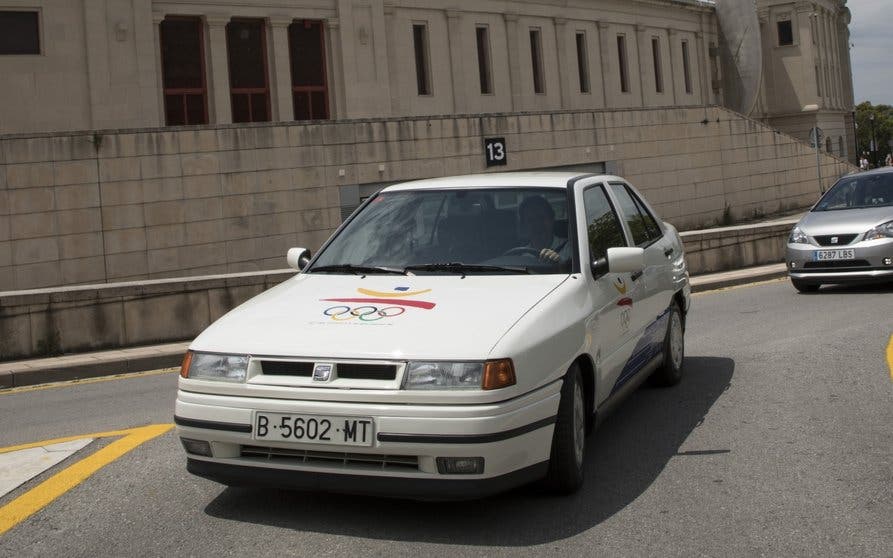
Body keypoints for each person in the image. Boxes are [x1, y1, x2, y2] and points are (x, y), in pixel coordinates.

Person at [517, 195, 569, 263]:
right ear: (524, 226)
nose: (537, 224)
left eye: (541, 217)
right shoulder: (520, 257)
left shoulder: (569, 249)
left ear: (552, 219)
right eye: (530, 220)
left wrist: (561, 265)